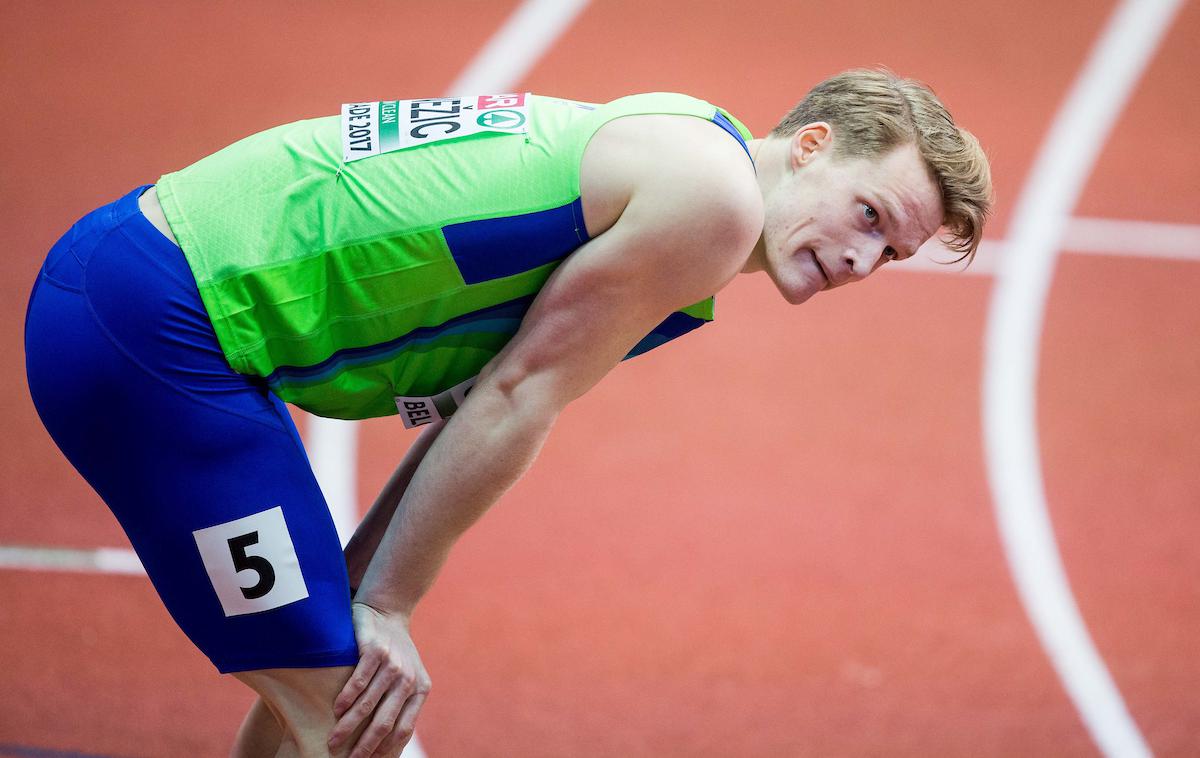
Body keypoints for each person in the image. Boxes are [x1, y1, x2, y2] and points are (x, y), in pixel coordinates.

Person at [24, 68, 991, 756]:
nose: (864, 262)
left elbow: (481, 397)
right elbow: (522, 394)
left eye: (891, 254)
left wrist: (370, 593)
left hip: (144, 293)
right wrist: (388, 606)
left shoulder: (692, 144)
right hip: (160, 327)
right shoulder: (713, 204)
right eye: (869, 215)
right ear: (812, 145)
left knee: (328, 696)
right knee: (362, 724)